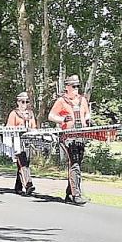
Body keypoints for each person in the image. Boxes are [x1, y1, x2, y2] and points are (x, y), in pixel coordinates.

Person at [48, 74, 92, 205]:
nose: (76, 89)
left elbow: (87, 112)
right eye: (74, 86)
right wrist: (62, 119)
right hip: (67, 136)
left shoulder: (82, 100)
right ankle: (76, 195)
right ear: (67, 87)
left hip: (81, 135)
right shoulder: (61, 101)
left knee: (78, 163)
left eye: (78, 86)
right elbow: (51, 116)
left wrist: (89, 119)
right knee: (74, 163)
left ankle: (69, 193)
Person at [7, 91, 37, 195]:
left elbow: (34, 127)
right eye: (22, 102)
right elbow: (9, 128)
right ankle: (28, 184)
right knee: (22, 162)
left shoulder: (31, 114)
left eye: (26, 102)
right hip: (17, 141)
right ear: (18, 102)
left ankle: (18, 186)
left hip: (28, 141)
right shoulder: (13, 114)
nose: (24, 104)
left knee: (25, 163)